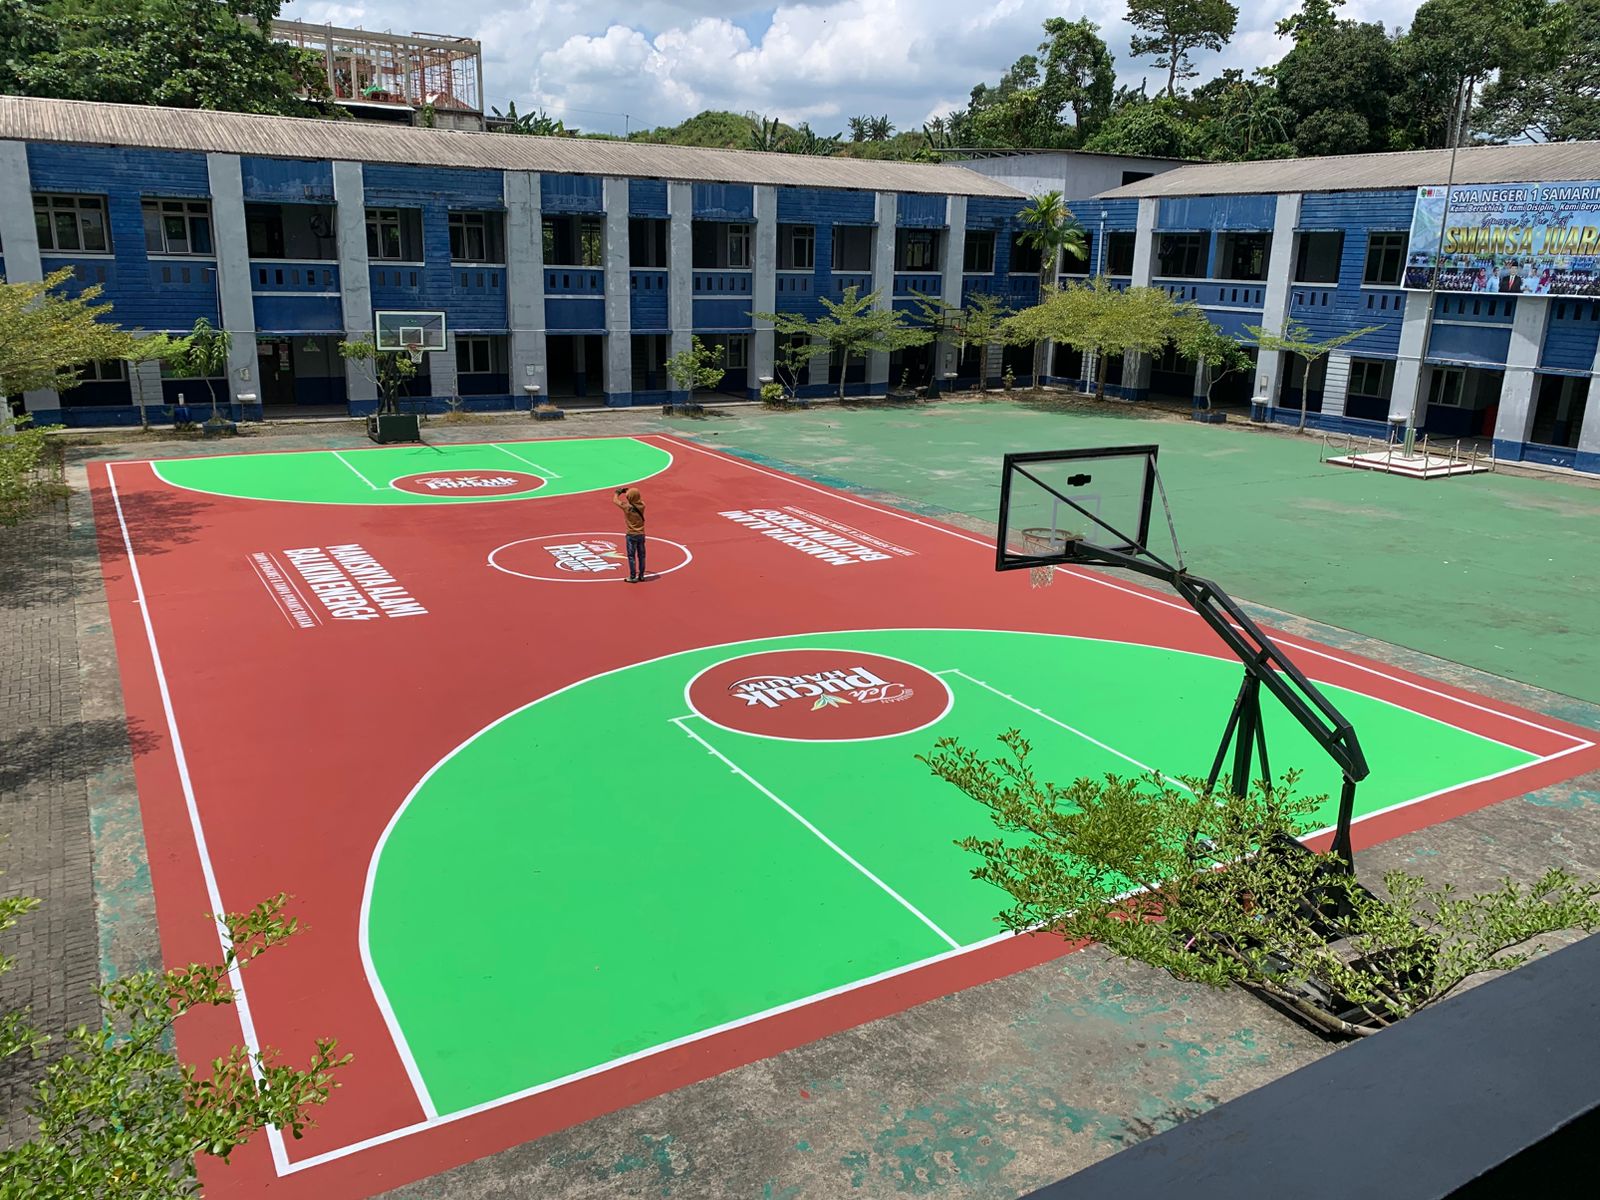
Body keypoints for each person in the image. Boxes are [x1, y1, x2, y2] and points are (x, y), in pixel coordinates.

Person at [613, 486, 647, 582]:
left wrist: (618, 493)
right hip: (641, 534)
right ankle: (641, 575)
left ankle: (632, 576)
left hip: (631, 535)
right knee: (642, 556)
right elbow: (636, 498)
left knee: (631, 556)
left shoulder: (626, 507)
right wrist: (631, 492)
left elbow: (615, 500)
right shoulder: (642, 506)